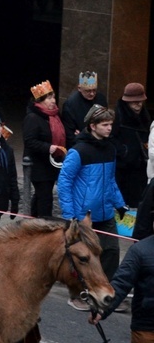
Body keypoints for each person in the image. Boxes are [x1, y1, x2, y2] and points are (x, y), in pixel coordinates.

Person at [58, 104, 126, 312]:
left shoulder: (110, 148)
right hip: (84, 217)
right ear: (93, 126)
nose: (109, 129)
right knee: (84, 258)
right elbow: (64, 182)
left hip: (106, 213)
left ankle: (104, 293)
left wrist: (119, 203)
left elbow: (110, 180)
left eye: (111, 124)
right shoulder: (78, 152)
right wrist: (70, 215)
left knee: (112, 252)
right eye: (105, 125)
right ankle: (78, 294)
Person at [23, 80, 65, 217]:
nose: (53, 101)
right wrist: (48, 147)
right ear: (39, 101)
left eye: (53, 97)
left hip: (52, 164)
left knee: (42, 195)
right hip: (38, 165)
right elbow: (29, 141)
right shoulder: (32, 118)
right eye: (49, 98)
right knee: (45, 197)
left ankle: (34, 219)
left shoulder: (54, 115)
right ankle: (43, 223)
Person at [112, 82, 150, 207]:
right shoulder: (118, 116)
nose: (138, 104)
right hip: (124, 168)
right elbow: (111, 138)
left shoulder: (145, 116)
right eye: (134, 101)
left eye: (140, 101)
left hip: (141, 166)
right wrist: (124, 151)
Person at [62, 71, 107, 148]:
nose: (92, 94)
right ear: (79, 88)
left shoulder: (101, 99)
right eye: (88, 91)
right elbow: (69, 133)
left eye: (94, 90)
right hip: (80, 145)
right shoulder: (70, 104)